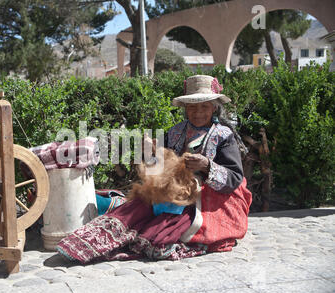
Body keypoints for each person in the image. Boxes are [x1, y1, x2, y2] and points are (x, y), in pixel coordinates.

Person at [57, 75, 252, 263]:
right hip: (170, 193)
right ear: (185, 108)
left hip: (202, 198)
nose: (198, 112)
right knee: (132, 212)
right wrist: (151, 154)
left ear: (214, 108)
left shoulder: (224, 136)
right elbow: (158, 170)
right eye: (192, 107)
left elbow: (234, 177)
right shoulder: (176, 132)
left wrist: (207, 166)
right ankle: (82, 245)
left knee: (157, 240)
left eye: (204, 106)